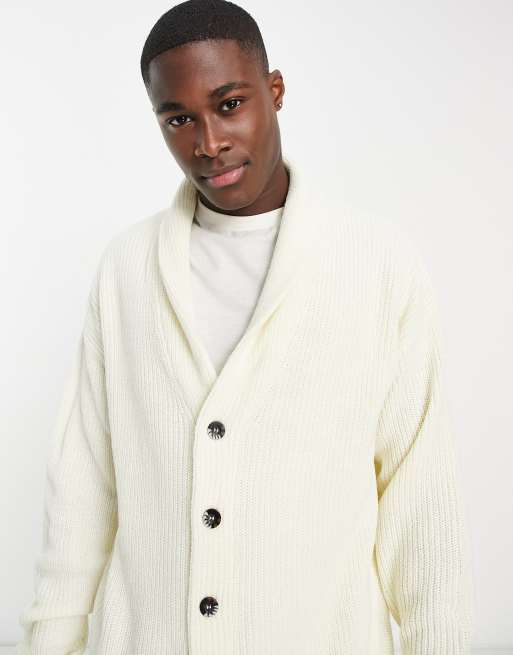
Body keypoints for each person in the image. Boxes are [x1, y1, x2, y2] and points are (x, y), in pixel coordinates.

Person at [16, 1, 474, 653]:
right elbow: (84, 486)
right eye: (178, 119)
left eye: (229, 104)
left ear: (275, 90)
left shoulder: (375, 264)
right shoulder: (127, 269)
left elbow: (419, 494)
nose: (208, 142)